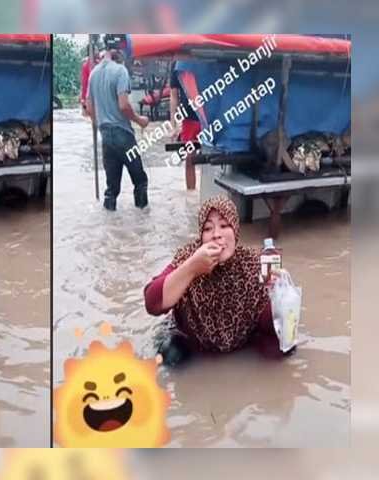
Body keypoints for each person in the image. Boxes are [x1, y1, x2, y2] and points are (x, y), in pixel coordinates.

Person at [144, 196, 285, 365]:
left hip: (239, 342)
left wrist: (278, 293)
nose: (216, 235)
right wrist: (192, 268)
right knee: (170, 354)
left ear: (236, 231)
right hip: (190, 340)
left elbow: (274, 325)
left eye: (224, 226)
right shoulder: (188, 257)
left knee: (281, 348)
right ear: (201, 236)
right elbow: (152, 303)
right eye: (208, 228)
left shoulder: (253, 263)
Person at [86, 34, 150, 211]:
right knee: (140, 181)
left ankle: (109, 224)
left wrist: (101, 124)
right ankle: (144, 223)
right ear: (119, 50)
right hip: (123, 134)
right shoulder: (120, 71)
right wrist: (140, 120)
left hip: (105, 135)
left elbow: (89, 109)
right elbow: (124, 105)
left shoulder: (93, 74)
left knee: (112, 188)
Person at [169, 62, 201, 190]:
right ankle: (191, 195)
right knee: (190, 159)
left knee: (213, 160)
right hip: (189, 119)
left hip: (209, 115)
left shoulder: (206, 57)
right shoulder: (177, 65)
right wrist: (174, 126)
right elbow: (174, 96)